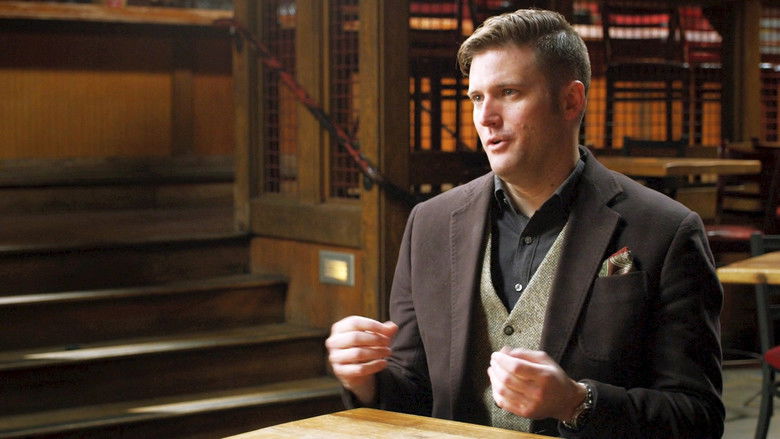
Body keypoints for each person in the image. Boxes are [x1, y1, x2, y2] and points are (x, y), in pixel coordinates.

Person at [326, 8, 724, 438]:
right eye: (477, 98)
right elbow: (413, 395)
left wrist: (577, 403)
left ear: (571, 101)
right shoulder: (430, 224)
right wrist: (365, 380)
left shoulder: (666, 230)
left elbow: (699, 418)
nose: (485, 117)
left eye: (508, 93)